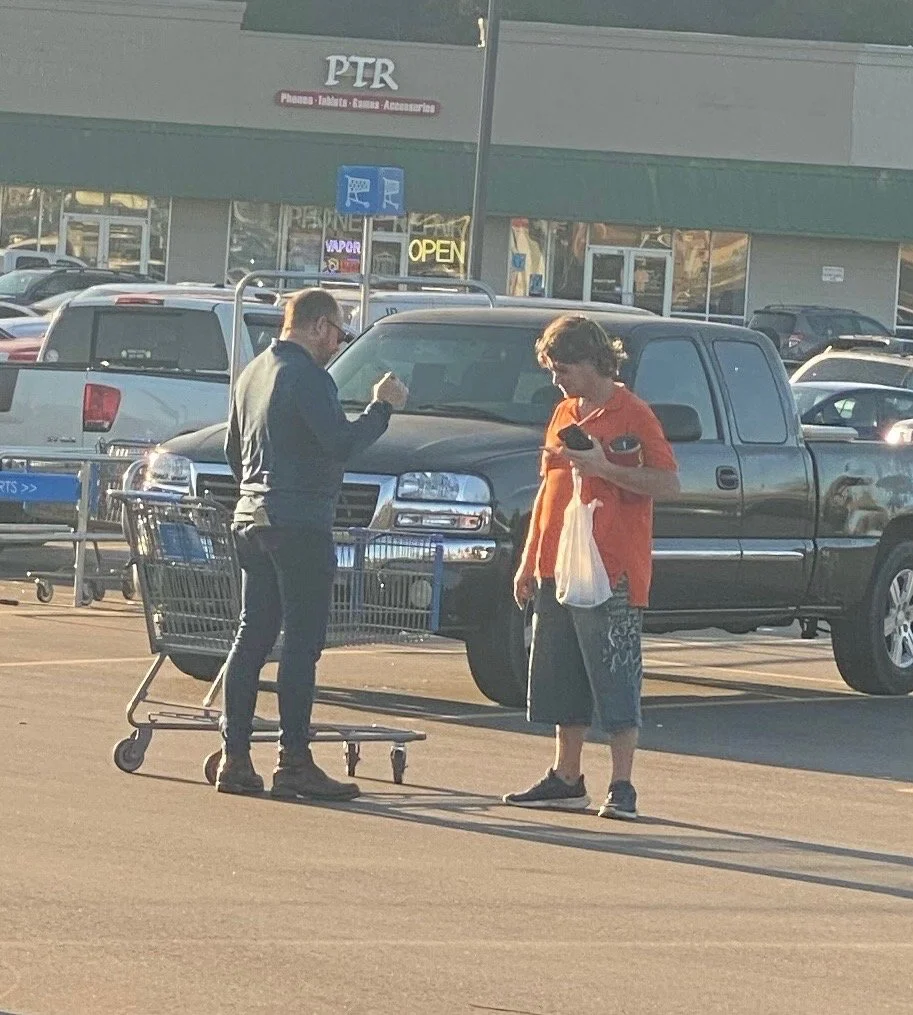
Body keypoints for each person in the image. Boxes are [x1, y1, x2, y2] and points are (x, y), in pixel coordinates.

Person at [216, 288, 408, 799]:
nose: (337, 343)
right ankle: (293, 759)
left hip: (252, 516)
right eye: (339, 333)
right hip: (299, 521)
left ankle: (235, 756)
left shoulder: (252, 373)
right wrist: (381, 408)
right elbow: (341, 443)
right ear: (320, 326)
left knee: (251, 636)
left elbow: (235, 452)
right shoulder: (307, 377)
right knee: (302, 643)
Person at [503, 314, 680, 820]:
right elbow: (547, 491)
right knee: (560, 673)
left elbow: (668, 483)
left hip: (613, 568)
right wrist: (529, 561)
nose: (558, 379)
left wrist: (605, 466)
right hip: (558, 564)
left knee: (616, 673)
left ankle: (622, 785)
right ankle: (566, 777)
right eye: (553, 370)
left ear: (593, 361)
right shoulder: (563, 412)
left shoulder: (633, 413)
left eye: (564, 368)